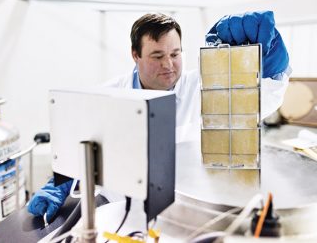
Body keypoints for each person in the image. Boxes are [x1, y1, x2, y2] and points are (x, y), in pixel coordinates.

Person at [28, 11, 290, 222]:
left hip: (185, 213)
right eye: (157, 56)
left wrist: (272, 59)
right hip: (119, 214)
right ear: (135, 55)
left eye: (175, 54)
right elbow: (82, 143)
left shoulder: (204, 86)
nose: (168, 65)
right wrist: (62, 179)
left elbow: (263, 97)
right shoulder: (108, 97)